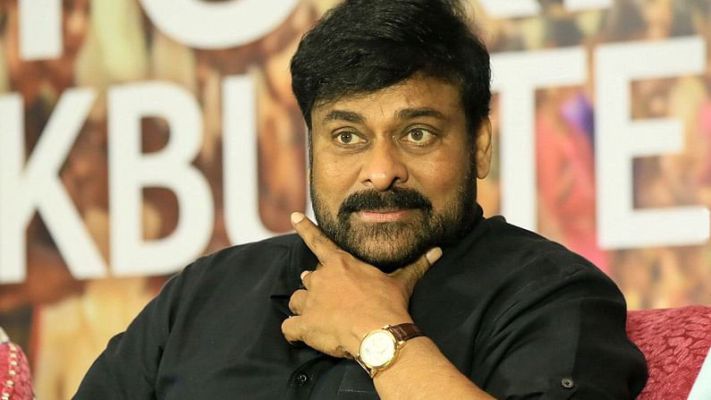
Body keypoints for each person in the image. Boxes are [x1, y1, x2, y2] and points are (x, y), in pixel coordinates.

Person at [74, 0, 648, 398]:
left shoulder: (550, 296)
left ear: (479, 145)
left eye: (417, 133)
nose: (380, 172)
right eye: (347, 137)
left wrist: (382, 339)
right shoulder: (206, 293)